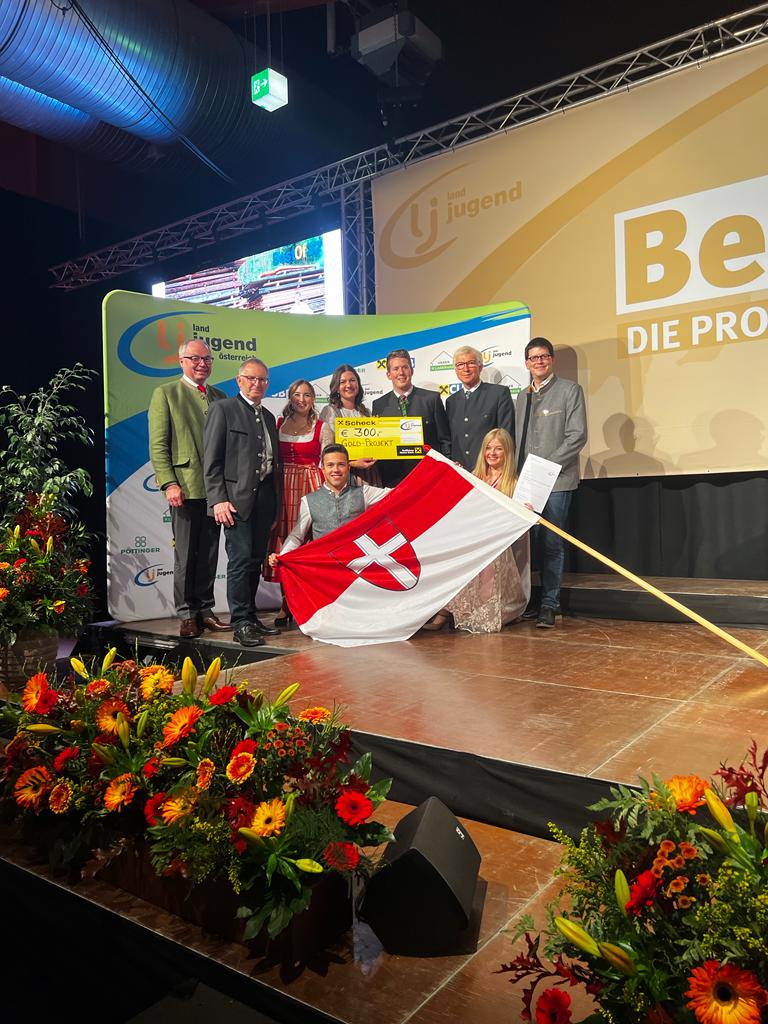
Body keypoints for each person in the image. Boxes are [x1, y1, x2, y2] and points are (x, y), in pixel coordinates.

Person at [148, 338, 227, 638]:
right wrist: (169, 483)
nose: (201, 364)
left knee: (209, 554)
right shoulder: (166, 393)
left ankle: (206, 610)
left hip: (215, 490)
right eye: (195, 358)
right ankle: (186, 614)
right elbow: (158, 445)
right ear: (181, 361)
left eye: (207, 359)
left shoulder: (219, 396)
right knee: (185, 555)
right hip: (184, 487)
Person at [203, 357, 282, 648]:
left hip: (265, 498)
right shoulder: (223, 409)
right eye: (251, 378)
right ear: (239, 380)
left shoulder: (269, 417)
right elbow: (211, 461)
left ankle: (251, 616)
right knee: (239, 560)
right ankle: (240, 623)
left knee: (255, 559)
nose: (257, 384)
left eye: (262, 379)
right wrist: (218, 500)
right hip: (235, 501)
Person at [423, 428, 530, 633]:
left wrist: (525, 511)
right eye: (488, 448)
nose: (492, 453)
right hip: (472, 538)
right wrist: (455, 477)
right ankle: (446, 611)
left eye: (498, 449)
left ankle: (479, 611)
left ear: (507, 452)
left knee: (488, 561)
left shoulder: (513, 483)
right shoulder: (475, 476)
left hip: (496, 543)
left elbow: (517, 523)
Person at [515, 337, 587, 629]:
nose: (539, 362)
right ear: (527, 363)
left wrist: (547, 467)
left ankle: (550, 604)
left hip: (557, 480)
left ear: (552, 359)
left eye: (544, 356)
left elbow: (577, 436)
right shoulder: (522, 397)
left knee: (551, 543)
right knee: (529, 545)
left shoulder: (570, 390)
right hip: (527, 482)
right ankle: (531, 601)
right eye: (533, 358)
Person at [264, 379, 334, 627]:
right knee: (284, 540)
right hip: (282, 488)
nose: (301, 399)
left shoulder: (322, 427)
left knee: (309, 541)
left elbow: (329, 461)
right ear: (290, 397)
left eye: (306, 395)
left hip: (310, 485)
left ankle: (312, 601)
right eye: (297, 394)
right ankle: (286, 602)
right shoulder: (278, 424)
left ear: (313, 399)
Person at [268, 444, 388, 564]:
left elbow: (396, 494)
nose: (336, 469)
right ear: (323, 469)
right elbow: (297, 536)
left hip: (356, 565)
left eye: (341, 464)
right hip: (324, 567)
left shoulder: (365, 493)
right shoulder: (309, 501)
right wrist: (282, 556)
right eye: (330, 465)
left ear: (348, 467)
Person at [371, 348, 451, 486]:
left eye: (405, 367)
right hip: (393, 479)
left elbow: (444, 439)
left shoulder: (431, 399)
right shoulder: (379, 404)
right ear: (388, 374)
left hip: (429, 475)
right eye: (396, 369)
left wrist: (446, 468)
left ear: (411, 371)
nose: (401, 372)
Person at [445, 345, 515, 470]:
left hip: (489, 469)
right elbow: (448, 438)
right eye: (460, 364)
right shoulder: (451, 401)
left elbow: (506, 435)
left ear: (480, 367)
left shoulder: (498, 393)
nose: (466, 369)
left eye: (471, 363)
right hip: (459, 470)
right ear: (456, 369)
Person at [319, 364, 381, 485]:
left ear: (358, 384)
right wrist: (352, 464)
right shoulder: (330, 411)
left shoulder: (366, 412)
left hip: (369, 476)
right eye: (343, 382)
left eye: (352, 380)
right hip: (342, 476)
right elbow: (326, 453)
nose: (348, 385)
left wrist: (380, 431)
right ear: (336, 387)